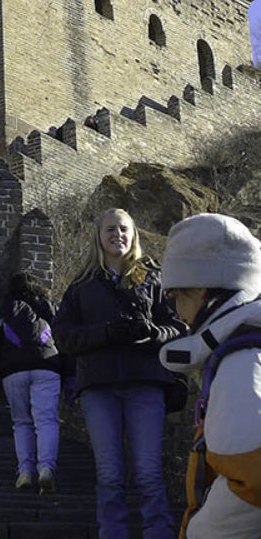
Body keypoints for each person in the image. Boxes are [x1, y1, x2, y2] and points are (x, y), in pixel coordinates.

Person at [52, 208, 185, 539]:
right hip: (99, 387)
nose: (118, 235)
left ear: (134, 234)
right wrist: (107, 333)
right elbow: (64, 336)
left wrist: (153, 333)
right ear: (99, 236)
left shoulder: (154, 278)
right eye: (110, 229)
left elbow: (179, 326)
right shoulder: (82, 286)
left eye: (124, 229)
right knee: (110, 473)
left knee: (148, 473)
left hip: (145, 384)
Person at [158, 214, 261, 539]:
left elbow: (253, 477)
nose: (176, 311)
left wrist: (198, 532)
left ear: (201, 288)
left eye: (176, 295)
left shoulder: (240, 360)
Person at [0, 271, 62, 493]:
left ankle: (25, 471)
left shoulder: (4, 308)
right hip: (47, 367)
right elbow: (65, 339)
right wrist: (71, 373)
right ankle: (46, 469)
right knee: (47, 420)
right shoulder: (50, 307)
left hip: (13, 370)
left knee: (22, 422)